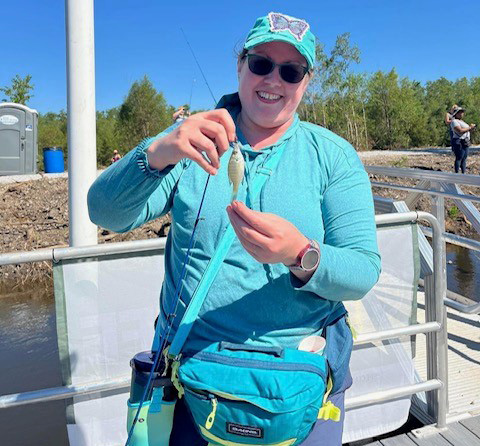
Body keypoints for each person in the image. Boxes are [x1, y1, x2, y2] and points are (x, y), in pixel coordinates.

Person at [88, 12, 381, 445]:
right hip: (191, 381)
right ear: (240, 65)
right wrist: (156, 151)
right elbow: (105, 212)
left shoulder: (332, 156)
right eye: (261, 63)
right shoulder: (191, 140)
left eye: (291, 70)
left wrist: (301, 253)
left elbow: (362, 271)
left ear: (306, 81)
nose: (273, 80)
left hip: (297, 384)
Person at [450, 106, 476, 173]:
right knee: (459, 158)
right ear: (456, 113)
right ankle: (456, 174)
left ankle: (463, 173)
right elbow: (460, 130)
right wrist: (470, 127)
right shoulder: (454, 121)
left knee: (464, 158)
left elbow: (466, 130)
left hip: (465, 141)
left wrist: (471, 128)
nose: (462, 114)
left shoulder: (462, 121)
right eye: (460, 112)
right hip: (458, 141)